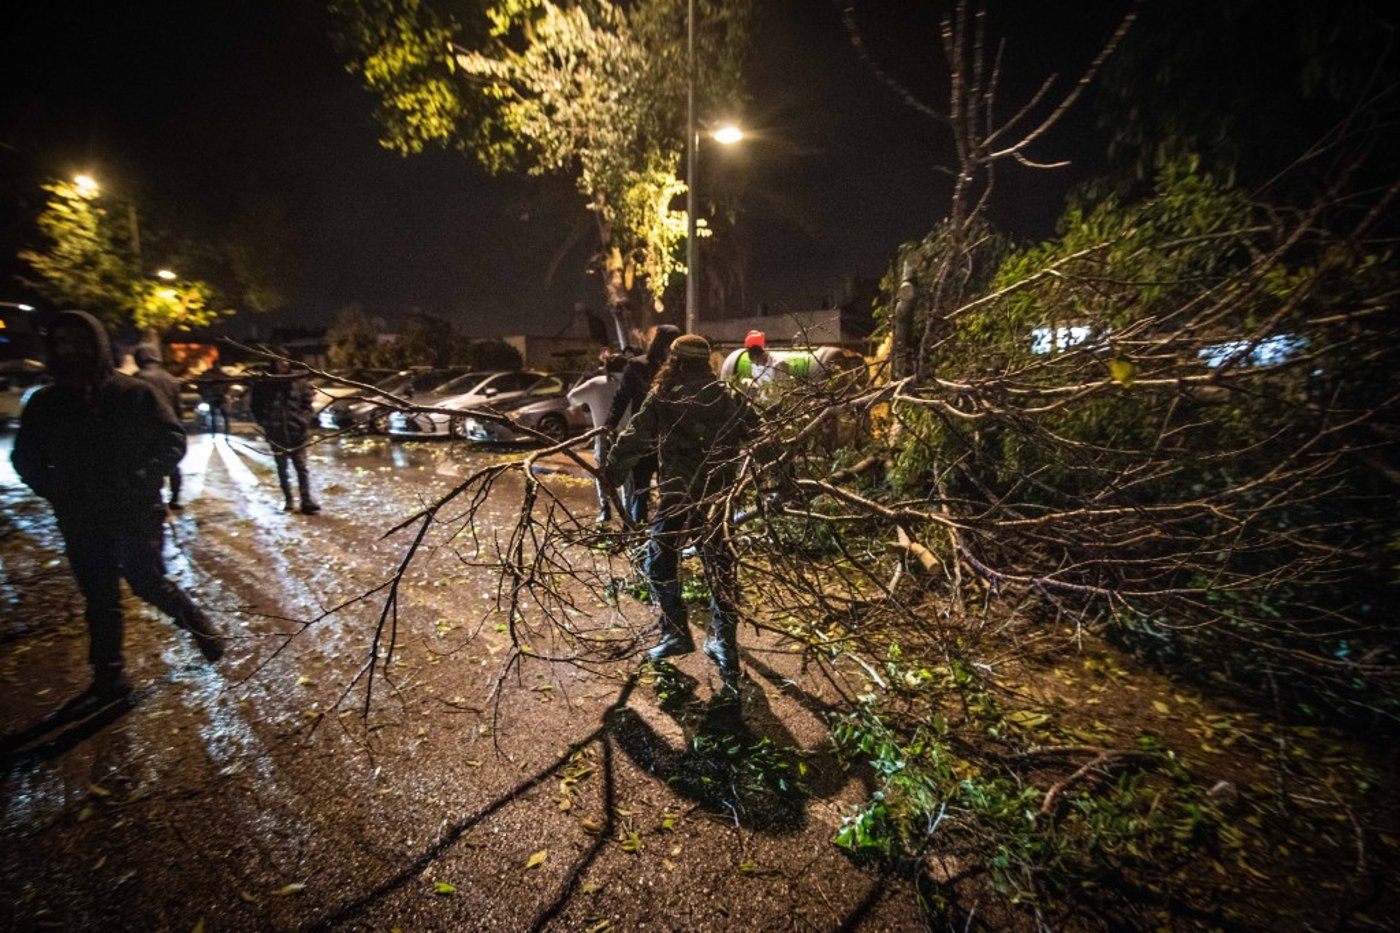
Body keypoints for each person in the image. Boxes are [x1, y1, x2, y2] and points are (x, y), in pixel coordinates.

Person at [12, 311, 226, 707]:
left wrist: (140, 480)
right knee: (99, 597)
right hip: (79, 518)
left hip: (134, 512)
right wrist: (56, 491)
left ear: (97, 344)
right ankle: (109, 676)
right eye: (62, 343)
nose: (71, 350)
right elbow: (26, 458)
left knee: (147, 582)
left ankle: (201, 628)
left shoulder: (133, 393)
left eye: (80, 341)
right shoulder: (46, 402)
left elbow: (170, 441)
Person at [603, 334, 760, 692]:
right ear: (706, 362)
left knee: (657, 564)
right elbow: (763, 438)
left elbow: (633, 439)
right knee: (721, 571)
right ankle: (725, 644)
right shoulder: (729, 396)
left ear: (674, 361)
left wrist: (611, 473)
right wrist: (782, 484)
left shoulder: (666, 396)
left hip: (677, 498)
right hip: (718, 502)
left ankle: (676, 633)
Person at [605, 325, 680, 523]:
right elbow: (621, 399)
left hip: (653, 437)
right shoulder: (667, 367)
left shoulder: (642, 365)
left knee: (644, 488)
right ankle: (652, 530)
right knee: (655, 488)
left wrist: (610, 425)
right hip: (659, 438)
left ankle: (642, 531)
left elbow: (621, 399)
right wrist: (609, 425)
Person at [249, 354, 320, 514]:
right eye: (278, 361)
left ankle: (306, 500)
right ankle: (288, 499)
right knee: (282, 467)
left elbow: (307, 406)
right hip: (276, 432)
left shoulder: (299, 382)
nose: (282, 364)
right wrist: (266, 423)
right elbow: (255, 406)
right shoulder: (264, 384)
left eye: (285, 361)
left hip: (297, 432)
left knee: (301, 467)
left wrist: (303, 421)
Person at [568, 354, 630, 524]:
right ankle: (627, 513)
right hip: (626, 434)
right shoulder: (630, 382)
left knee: (601, 473)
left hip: (601, 435)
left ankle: (605, 509)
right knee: (627, 474)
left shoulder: (595, 384)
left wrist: (584, 377)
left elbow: (572, 398)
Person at [132, 345, 186, 511]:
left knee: (149, 463)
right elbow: (178, 406)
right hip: (170, 425)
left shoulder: (138, 378)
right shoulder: (170, 378)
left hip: (147, 427)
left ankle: (154, 498)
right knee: (173, 464)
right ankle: (175, 498)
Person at [195, 365, 231, 436]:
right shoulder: (219, 375)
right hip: (217, 397)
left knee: (216, 416)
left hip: (215, 398)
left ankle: (217, 433)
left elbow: (200, 387)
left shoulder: (207, 375)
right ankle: (224, 432)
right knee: (223, 415)